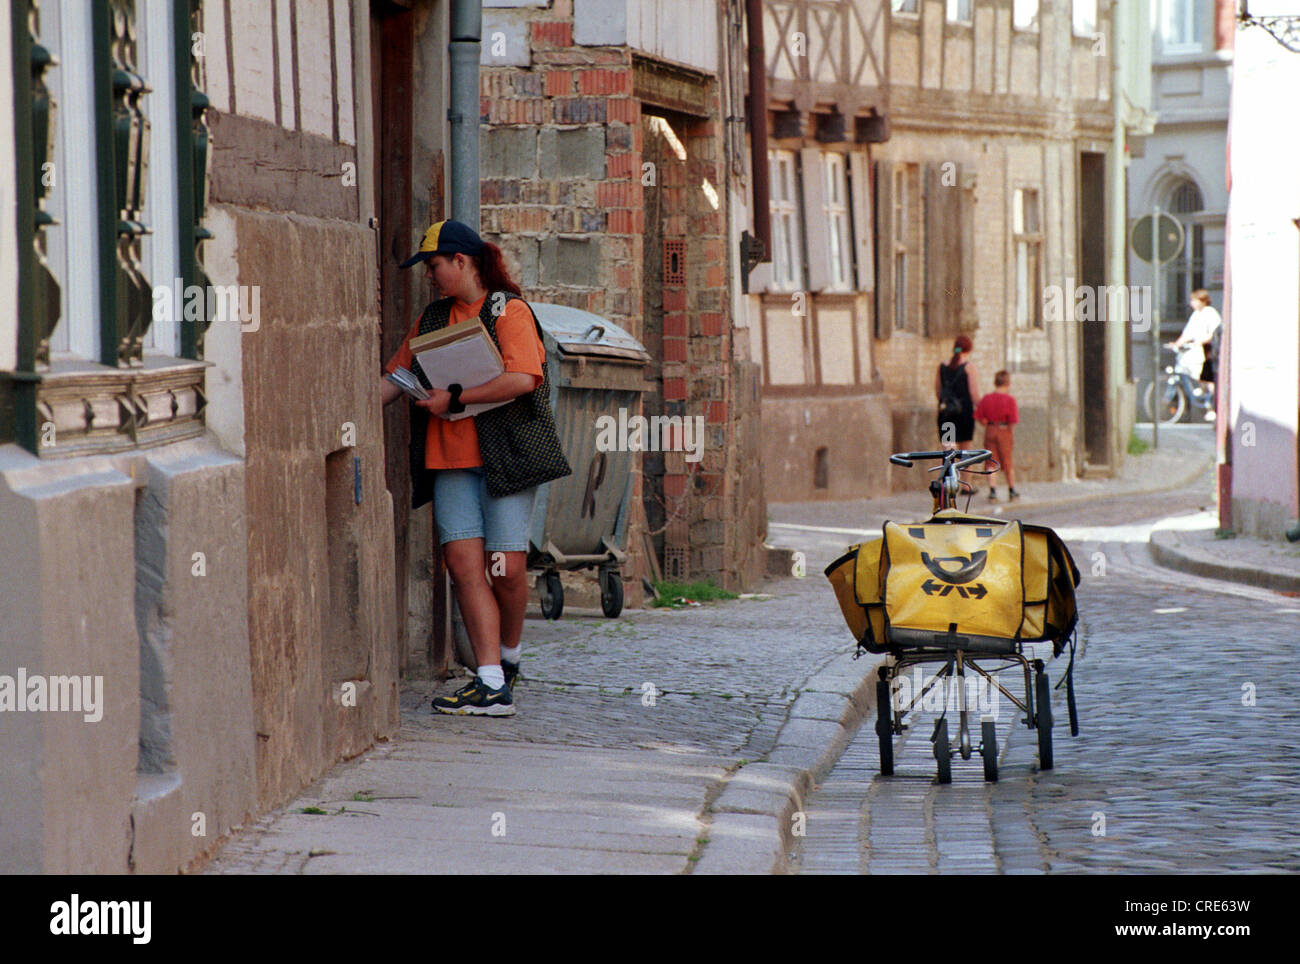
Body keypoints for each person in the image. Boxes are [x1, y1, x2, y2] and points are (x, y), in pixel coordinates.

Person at [380, 220, 571, 716]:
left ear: (461, 262)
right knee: (464, 565)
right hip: (450, 460)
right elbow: (397, 376)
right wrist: (348, 407)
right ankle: (489, 682)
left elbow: (524, 378)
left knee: (505, 568)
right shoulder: (432, 318)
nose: (431, 275)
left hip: (504, 454)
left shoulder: (508, 310)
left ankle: (508, 657)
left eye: (435, 265)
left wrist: (457, 397)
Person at [1169, 288, 1221, 421]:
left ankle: (1213, 406)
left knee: (1207, 379)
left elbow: (1214, 333)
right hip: (1196, 350)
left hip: (1207, 351)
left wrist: (1201, 341)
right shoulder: (1196, 314)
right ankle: (1203, 394)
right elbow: (1187, 334)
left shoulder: (1210, 313)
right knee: (1193, 370)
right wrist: (1176, 344)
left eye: (1194, 300)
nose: (1191, 303)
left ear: (1202, 301)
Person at [935, 335, 980, 489]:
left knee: (949, 450)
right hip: (964, 415)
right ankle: (966, 486)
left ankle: (949, 484)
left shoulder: (941, 366)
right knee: (966, 451)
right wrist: (981, 410)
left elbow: (938, 392)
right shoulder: (969, 367)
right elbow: (974, 394)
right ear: (968, 350)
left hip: (946, 414)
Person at [974, 370, 1020, 502]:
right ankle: (1011, 490)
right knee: (1007, 461)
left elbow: (979, 417)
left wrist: (987, 424)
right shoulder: (1010, 400)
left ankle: (992, 491)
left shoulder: (987, 398)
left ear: (995, 382)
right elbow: (1013, 421)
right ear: (1008, 383)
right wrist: (1009, 432)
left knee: (991, 461)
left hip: (990, 429)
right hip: (1004, 430)